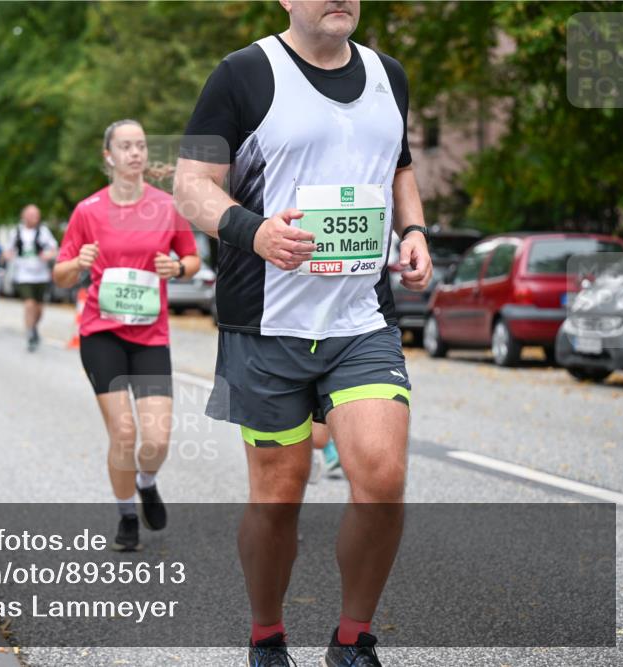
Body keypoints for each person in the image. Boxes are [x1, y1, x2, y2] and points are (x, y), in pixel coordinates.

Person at [173, 1, 433, 665]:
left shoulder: (389, 76)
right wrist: (254, 231)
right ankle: (267, 634)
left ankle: (352, 640)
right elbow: (191, 185)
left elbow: (400, 166)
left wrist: (413, 231)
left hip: (361, 319)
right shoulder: (243, 74)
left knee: (382, 478)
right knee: (277, 499)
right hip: (267, 324)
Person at [54, 119, 201, 552]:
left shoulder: (167, 206)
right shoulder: (88, 211)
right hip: (102, 335)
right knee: (123, 434)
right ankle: (126, 516)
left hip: (150, 336)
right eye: (125, 146)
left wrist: (177, 268)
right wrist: (78, 262)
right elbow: (61, 274)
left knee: (156, 440)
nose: (135, 152)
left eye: (140, 145)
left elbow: (192, 259)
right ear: (109, 156)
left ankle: (146, 481)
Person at [6, 204, 58, 351]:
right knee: (29, 305)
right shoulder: (16, 232)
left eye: (37, 215)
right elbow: (7, 251)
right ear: (24, 216)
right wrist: (9, 256)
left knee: (39, 310)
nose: (35, 218)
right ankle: (30, 334)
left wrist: (48, 255)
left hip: (41, 276)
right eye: (32, 215)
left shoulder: (43, 231)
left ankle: (34, 327)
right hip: (24, 276)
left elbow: (54, 249)